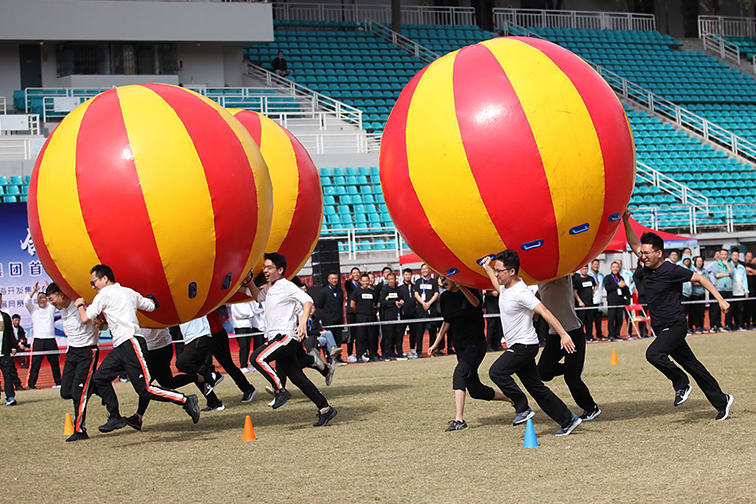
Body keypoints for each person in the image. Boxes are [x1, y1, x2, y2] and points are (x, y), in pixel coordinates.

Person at [623, 211, 734, 421]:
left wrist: (720, 299)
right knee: (693, 364)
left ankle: (681, 383)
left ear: (659, 253)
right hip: (660, 326)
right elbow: (632, 243)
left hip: (675, 324)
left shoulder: (672, 270)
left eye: (647, 253)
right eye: (642, 253)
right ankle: (722, 400)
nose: (643, 256)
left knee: (653, 354)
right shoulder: (647, 265)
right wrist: (625, 220)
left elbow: (701, 278)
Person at [76, 264, 200, 432]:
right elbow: (150, 306)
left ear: (104, 278)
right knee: (100, 377)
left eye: (94, 282)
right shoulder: (129, 292)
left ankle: (186, 400)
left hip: (130, 343)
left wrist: (79, 305)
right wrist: (151, 296)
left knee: (145, 389)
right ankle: (114, 417)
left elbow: (84, 319)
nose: (93, 286)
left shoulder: (104, 294)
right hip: (122, 345)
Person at [481, 251, 582, 436]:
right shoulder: (505, 287)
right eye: (495, 270)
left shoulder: (521, 292)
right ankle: (569, 420)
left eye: (499, 271)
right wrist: (487, 268)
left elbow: (544, 311)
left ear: (511, 271)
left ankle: (522, 407)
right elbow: (496, 284)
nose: (497, 274)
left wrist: (563, 334)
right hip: (518, 345)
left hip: (525, 345)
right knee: (537, 388)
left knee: (496, 372)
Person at [244, 253, 337, 427]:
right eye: (264, 267)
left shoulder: (286, 285)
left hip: (285, 336)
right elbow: (258, 297)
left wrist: (302, 322)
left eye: (269, 267)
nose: (265, 270)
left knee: (256, 358)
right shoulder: (271, 287)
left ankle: (280, 390)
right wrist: (248, 282)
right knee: (297, 377)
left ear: (280, 270)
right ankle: (325, 408)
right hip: (277, 337)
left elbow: (307, 300)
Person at [428, 277, 512, 431]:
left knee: (459, 374)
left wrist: (462, 287)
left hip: (476, 344)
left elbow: (476, 304)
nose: (443, 281)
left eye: (446, 278)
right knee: (475, 389)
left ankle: (459, 420)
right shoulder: (445, 297)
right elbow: (447, 321)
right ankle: (512, 398)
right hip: (459, 345)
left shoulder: (471, 290)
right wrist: (435, 343)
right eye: (442, 279)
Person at [538, 275, 601, 421]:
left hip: (572, 332)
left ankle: (591, 408)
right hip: (555, 335)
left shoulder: (562, 277)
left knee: (572, 378)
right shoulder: (540, 284)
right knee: (542, 372)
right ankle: (574, 367)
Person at [46, 283, 101, 441]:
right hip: (72, 352)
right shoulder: (62, 308)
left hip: (87, 351)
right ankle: (96, 386)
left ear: (61, 294)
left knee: (78, 394)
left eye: (52, 299)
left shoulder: (80, 305)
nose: (52, 303)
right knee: (66, 392)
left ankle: (80, 430)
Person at [124, 327, 204, 430]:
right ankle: (196, 377)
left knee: (145, 386)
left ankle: (138, 417)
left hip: (160, 347)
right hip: (151, 348)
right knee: (167, 383)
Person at [206, 307, 258, 403]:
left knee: (228, 364)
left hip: (215, 334)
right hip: (207, 335)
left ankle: (248, 389)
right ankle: (213, 377)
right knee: (197, 363)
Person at [25, 282, 61, 389]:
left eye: (44, 297)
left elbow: (54, 300)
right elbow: (26, 301)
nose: (42, 300)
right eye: (40, 298)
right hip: (38, 341)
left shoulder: (51, 308)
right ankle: (31, 384)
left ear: (47, 299)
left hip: (50, 340)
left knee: (55, 363)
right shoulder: (34, 309)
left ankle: (58, 382)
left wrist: (48, 289)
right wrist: (34, 291)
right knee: (35, 364)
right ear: (37, 300)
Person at [316, 271, 345, 363]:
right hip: (328, 320)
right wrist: (327, 315)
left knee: (338, 339)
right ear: (328, 280)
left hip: (339, 319)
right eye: (332, 279)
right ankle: (330, 358)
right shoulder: (324, 291)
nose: (334, 280)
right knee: (329, 339)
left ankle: (338, 357)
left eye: (336, 278)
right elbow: (320, 306)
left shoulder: (340, 291)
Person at [349, 273, 379, 362]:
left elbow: (373, 304)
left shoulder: (372, 292)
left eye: (367, 280)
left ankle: (372, 354)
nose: (365, 282)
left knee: (371, 337)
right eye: (363, 281)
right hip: (360, 317)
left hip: (371, 317)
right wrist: (359, 312)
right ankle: (359, 355)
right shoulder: (357, 291)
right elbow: (352, 305)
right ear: (360, 282)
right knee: (360, 337)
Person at [1, 292, 22, 406]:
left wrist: (14, 346)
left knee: (8, 375)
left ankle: (10, 397)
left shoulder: (5, 317)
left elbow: (10, 334)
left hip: (4, 353)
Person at [414, 264, 440, 356]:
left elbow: (436, 293)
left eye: (426, 269)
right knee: (419, 332)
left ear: (429, 270)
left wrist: (428, 303)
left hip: (431, 310)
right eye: (422, 269)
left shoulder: (433, 282)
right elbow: (416, 294)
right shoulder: (418, 282)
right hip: (421, 311)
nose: (424, 270)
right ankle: (419, 351)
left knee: (433, 332)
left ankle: (433, 351)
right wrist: (423, 303)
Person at [603, 261, 631, 341]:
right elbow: (607, 287)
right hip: (612, 301)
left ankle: (617, 334)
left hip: (620, 301)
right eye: (614, 267)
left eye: (617, 267)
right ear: (611, 268)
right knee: (611, 319)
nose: (615, 269)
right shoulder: (607, 277)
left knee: (619, 319)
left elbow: (625, 288)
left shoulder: (620, 278)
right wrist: (617, 285)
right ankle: (611, 335)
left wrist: (627, 297)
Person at [379, 272, 404, 360]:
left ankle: (399, 352)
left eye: (392, 279)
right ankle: (388, 353)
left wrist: (401, 302)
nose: (391, 281)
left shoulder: (398, 289)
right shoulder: (385, 289)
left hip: (398, 316)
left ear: (395, 280)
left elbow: (402, 298)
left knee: (398, 336)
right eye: (389, 279)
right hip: (388, 317)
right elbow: (382, 302)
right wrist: (393, 303)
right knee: (388, 336)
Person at [398, 268, 421, 359]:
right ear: (403, 275)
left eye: (409, 275)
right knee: (400, 333)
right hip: (404, 314)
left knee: (413, 332)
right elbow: (398, 299)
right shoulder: (400, 288)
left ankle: (412, 349)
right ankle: (400, 350)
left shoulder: (415, 286)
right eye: (406, 274)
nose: (407, 276)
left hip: (413, 313)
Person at [709, 249, 733, 333]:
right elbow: (717, 275)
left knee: (729, 308)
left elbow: (733, 273)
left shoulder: (730, 264)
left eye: (725, 254)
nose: (723, 256)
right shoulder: (716, 264)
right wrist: (728, 274)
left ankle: (727, 325)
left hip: (729, 288)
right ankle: (716, 325)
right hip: (719, 289)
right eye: (722, 254)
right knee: (717, 308)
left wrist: (727, 265)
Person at [572, 265, 597, 342]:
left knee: (590, 321)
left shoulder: (591, 278)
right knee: (582, 322)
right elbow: (574, 292)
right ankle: (582, 337)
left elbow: (595, 286)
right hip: (582, 305)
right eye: (583, 269)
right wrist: (580, 301)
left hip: (590, 304)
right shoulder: (577, 280)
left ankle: (590, 336)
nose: (584, 270)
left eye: (586, 269)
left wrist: (593, 293)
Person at [231, 301, 256, 372]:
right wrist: (248, 314)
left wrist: (248, 315)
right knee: (243, 346)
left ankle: (247, 365)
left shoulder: (248, 303)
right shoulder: (236, 303)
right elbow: (243, 313)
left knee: (248, 346)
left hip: (248, 324)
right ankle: (243, 366)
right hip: (239, 326)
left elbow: (252, 312)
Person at [344, 267, 361, 363]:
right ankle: (350, 354)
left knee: (360, 334)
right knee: (351, 334)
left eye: (357, 273)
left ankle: (360, 353)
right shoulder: (350, 285)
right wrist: (348, 280)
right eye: (354, 273)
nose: (356, 274)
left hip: (359, 313)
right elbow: (346, 285)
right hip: (351, 313)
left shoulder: (360, 285)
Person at [729, 249, 748, 331]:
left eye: (737, 256)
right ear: (731, 256)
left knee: (740, 310)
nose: (736, 257)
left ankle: (739, 325)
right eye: (734, 255)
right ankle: (730, 325)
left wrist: (746, 291)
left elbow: (745, 280)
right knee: (731, 310)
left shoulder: (741, 267)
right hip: (731, 291)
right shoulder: (728, 266)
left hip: (740, 292)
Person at [588, 259, 606, 340]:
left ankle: (599, 334)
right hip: (591, 299)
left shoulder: (601, 275)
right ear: (591, 265)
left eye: (597, 264)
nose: (596, 266)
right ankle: (590, 335)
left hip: (599, 298)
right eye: (595, 264)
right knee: (590, 319)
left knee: (598, 319)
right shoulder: (588, 275)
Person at [689, 256, 707, 333]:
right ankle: (696, 326)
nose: (699, 263)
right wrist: (702, 282)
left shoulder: (704, 271)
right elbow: (694, 283)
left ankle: (702, 326)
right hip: (694, 294)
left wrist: (701, 282)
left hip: (702, 293)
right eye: (698, 261)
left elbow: (708, 281)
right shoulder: (692, 271)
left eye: (701, 261)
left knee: (702, 311)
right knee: (695, 312)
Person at [745, 251, 756, 329]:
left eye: (750, 256)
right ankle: (747, 323)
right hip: (747, 289)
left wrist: (751, 271)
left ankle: (754, 322)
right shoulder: (742, 265)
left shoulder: (754, 266)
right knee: (747, 307)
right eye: (747, 256)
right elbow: (746, 271)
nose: (749, 258)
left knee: (754, 307)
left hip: (754, 289)